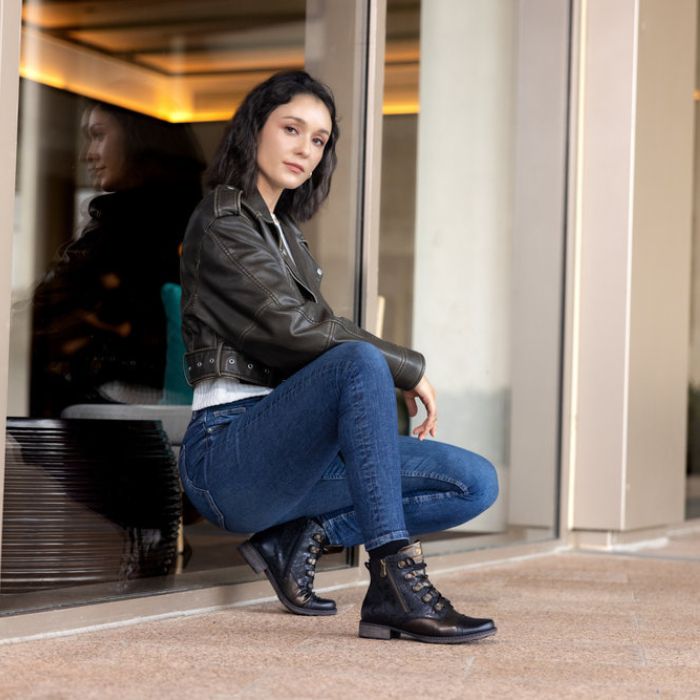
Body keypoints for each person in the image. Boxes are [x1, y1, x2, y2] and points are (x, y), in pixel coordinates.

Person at [179, 70, 499, 644]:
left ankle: (301, 536)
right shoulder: (223, 219)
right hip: (227, 457)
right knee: (358, 362)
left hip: (296, 460)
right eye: (292, 129)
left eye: (319, 139)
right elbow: (297, 330)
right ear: (256, 130)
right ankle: (396, 584)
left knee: (475, 483)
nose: (305, 148)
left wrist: (394, 367)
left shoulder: (288, 236)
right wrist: (409, 367)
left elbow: (320, 335)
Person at [30, 101, 205, 416]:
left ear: (138, 140)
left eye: (98, 135)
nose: (88, 154)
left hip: (118, 430)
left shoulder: (133, 244)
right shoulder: (178, 231)